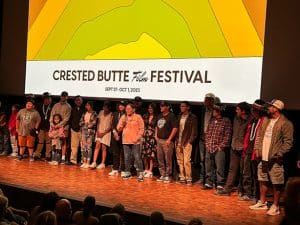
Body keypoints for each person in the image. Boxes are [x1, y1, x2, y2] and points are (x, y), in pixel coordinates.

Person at [250, 99, 293, 216]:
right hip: (262, 157)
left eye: (270, 106)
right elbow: (259, 136)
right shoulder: (266, 121)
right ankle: (263, 202)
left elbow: (288, 143)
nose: (268, 108)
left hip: (275, 159)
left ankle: (275, 206)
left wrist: (279, 154)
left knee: (276, 182)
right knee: (262, 179)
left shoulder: (285, 123)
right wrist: (257, 150)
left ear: (276, 109)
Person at [217, 102, 251, 195]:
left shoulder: (251, 120)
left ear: (243, 111)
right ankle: (227, 189)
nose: (236, 111)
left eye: (238, 109)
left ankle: (244, 191)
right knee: (232, 169)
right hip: (234, 147)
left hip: (244, 149)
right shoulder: (236, 118)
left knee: (244, 170)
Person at [238, 100, 266, 201]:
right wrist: (245, 148)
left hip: (257, 152)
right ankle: (248, 193)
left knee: (256, 175)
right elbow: (248, 135)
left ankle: (256, 195)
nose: (252, 112)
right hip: (248, 150)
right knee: (247, 173)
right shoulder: (253, 120)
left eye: (254, 110)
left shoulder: (264, 121)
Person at [202, 103, 232, 190]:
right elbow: (207, 133)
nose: (212, 112)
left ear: (218, 111)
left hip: (219, 148)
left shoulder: (226, 121)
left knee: (220, 166)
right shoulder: (212, 120)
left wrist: (221, 146)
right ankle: (209, 182)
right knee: (208, 165)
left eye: (214, 110)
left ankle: (220, 183)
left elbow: (228, 135)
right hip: (209, 147)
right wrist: (207, 144)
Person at [117, 102, 144, 181]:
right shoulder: (123, 117)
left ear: (133, 109)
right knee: (127, 157)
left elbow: (142, 128)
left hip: (135, 141)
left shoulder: (138, 117)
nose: (127, 110)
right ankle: (127, 173)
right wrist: (122, 124)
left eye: (129, 109)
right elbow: (118, 128)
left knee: (137, 157)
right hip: (126, 141)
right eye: (126, 109)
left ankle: (141, 173)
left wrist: (138, 137)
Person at [175, 101, 198, 185]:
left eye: (183, 106)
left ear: (188, 107)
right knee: (180, 161)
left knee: (186, 161)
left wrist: (189, 142)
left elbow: (194, 132)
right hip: (178, 141)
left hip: (187, 142)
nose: (181, 108)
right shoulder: (179, 116)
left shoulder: (192, 117)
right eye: (181, 106)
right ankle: (182, 177)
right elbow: (176, 129)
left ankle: (189, 178)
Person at [155, 101, 178, 183]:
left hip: (167, 141)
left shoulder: (171, 116)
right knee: (160, 158)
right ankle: (162, 174)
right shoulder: (159, 116)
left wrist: (169, 139)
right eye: (160, 106)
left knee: (168, 159)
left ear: (167, 107)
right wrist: (156, 136)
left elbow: (175, 128)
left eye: (163, 106)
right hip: (159, 140)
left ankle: (168, 175)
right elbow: (157, 127)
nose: (161, 107)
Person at [198, 93, 216, 183]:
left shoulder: (216, 112)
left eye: (207, 100)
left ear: (212, 101)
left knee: (209, 160)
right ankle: (202, 178)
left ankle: (209, 180)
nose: (205, 101)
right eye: (205, 99)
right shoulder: (202, 110)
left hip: (211, 140)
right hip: (202, 138)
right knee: (202, 160)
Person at [50, 91, 71, 164]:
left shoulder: (68, 106)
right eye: (62, 96)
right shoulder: (56, 105)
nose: (63, 97)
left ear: (67, 97)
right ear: (60, 96)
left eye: (65, 96)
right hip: (54, 127)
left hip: (64, 127)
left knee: (63, 142)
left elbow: (66, 119)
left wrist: (58, 125)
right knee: (55, 142)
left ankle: (62, 158)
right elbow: (52, 115)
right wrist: (52, 123)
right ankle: (55, 158)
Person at [90, 101, 112, 169]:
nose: (105, 109)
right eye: (104, 107)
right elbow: (98, 122)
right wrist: (98, 131)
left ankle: (103, 163)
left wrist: (104, 133)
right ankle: (94, 162)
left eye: (106, 108)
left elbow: (111, 125)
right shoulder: (101, 112)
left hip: (106, 132)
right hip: (99, 131)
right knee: (97, 145)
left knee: (104, 147)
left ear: (109, 108)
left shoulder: (111, 114)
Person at [109, 101, 126, 176]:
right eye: (120, 105)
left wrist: (118, 133)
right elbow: (112, 124)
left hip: (123, 136)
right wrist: (114, 132)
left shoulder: (126, 115)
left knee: (123, 153)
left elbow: (125, 125)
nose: (121, 106)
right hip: (115, 135)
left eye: (122, 105)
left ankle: (123, 169)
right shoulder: (115, 113)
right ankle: (115, 169)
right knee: (115, 153)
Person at [142, 103, 158, 178]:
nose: (150, 109)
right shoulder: (145, 116)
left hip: (152, 137)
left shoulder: (157, 117)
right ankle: (146, 169)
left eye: (151, 108)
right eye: (149, 108)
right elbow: (142, 126)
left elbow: (157, 128)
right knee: (144, 154)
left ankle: (150, 170)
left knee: (151, 154)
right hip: (145, 136)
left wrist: (156, 137)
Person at [35, 92, 52, 161]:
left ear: (50, 99)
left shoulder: (53, 106)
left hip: (49, 127)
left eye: (48, 99)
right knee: (40, 141)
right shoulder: (39, 106)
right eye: (45, 99)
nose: (46, 100)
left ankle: (48, 155)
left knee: (48, 142)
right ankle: (37, 154)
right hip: (41, 126)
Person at [79, 101, 97, 169]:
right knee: (83, 147)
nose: (87, 107)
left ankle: (88, 162)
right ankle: (84, 161)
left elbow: (94, 123)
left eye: (88, 105)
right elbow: (80, 122)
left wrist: (88, 124)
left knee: (89, 147)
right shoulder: (84, 113)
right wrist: (85, 124)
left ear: (91, 106)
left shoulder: (94, 113)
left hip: (90, 132)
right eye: (86, 105)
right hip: (83, 131)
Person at [69, 96, 84, 165]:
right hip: (74, 129)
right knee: (74, 146)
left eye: (79, 100)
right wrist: (72, 127)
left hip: (82, 130)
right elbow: (70, 119)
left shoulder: (85, 109)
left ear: (82, 101)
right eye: (77, 100)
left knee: (83, 146)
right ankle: (73, 160)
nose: (78, 101)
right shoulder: (72, 109)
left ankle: (83, 161)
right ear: (75, 102)